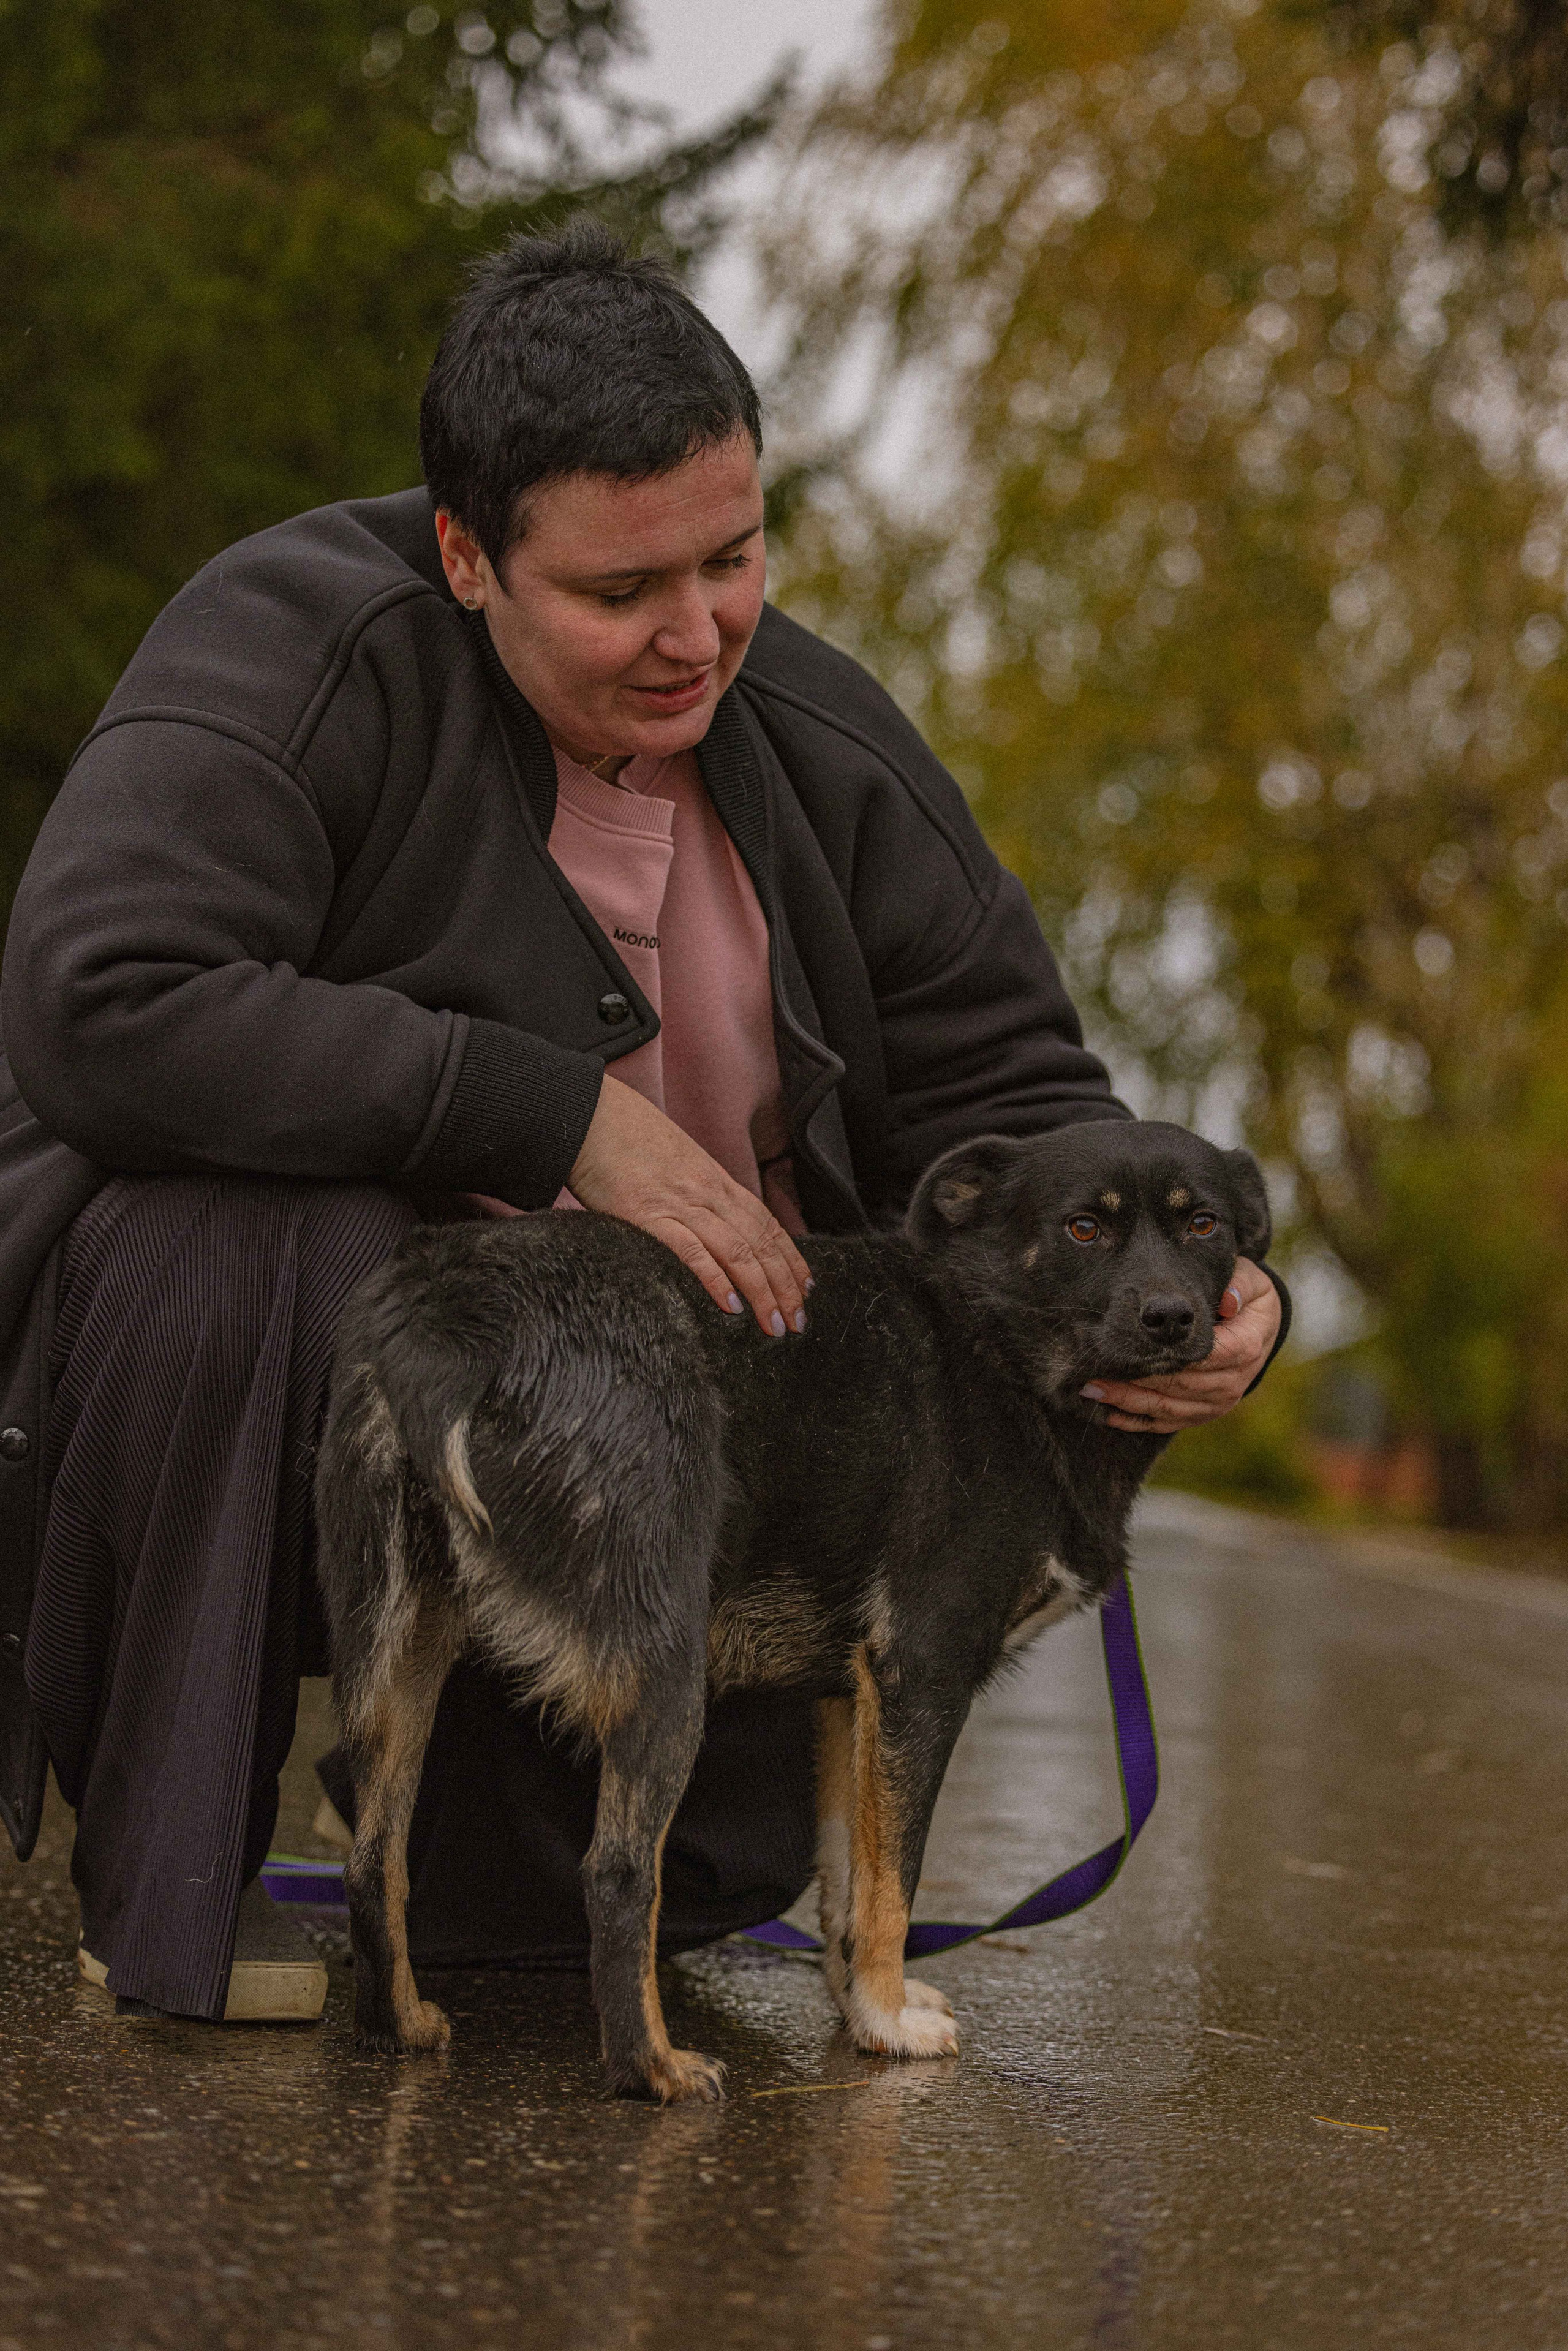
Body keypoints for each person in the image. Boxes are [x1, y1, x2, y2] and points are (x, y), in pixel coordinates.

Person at [0, 219, 1286, 2024]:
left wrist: (1238, 1309)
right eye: (621, 594)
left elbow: (1025, 1112)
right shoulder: (292, 646)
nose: (699, 636)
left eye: (736, 557)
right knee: (236, 1240)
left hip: (670, 1455)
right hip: (294, 1403)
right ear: (467, 555)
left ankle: (467, 1878)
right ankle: (169, 1889)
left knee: (576, 1938)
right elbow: (99, 998)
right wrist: (555, 1117)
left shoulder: (829, 742)